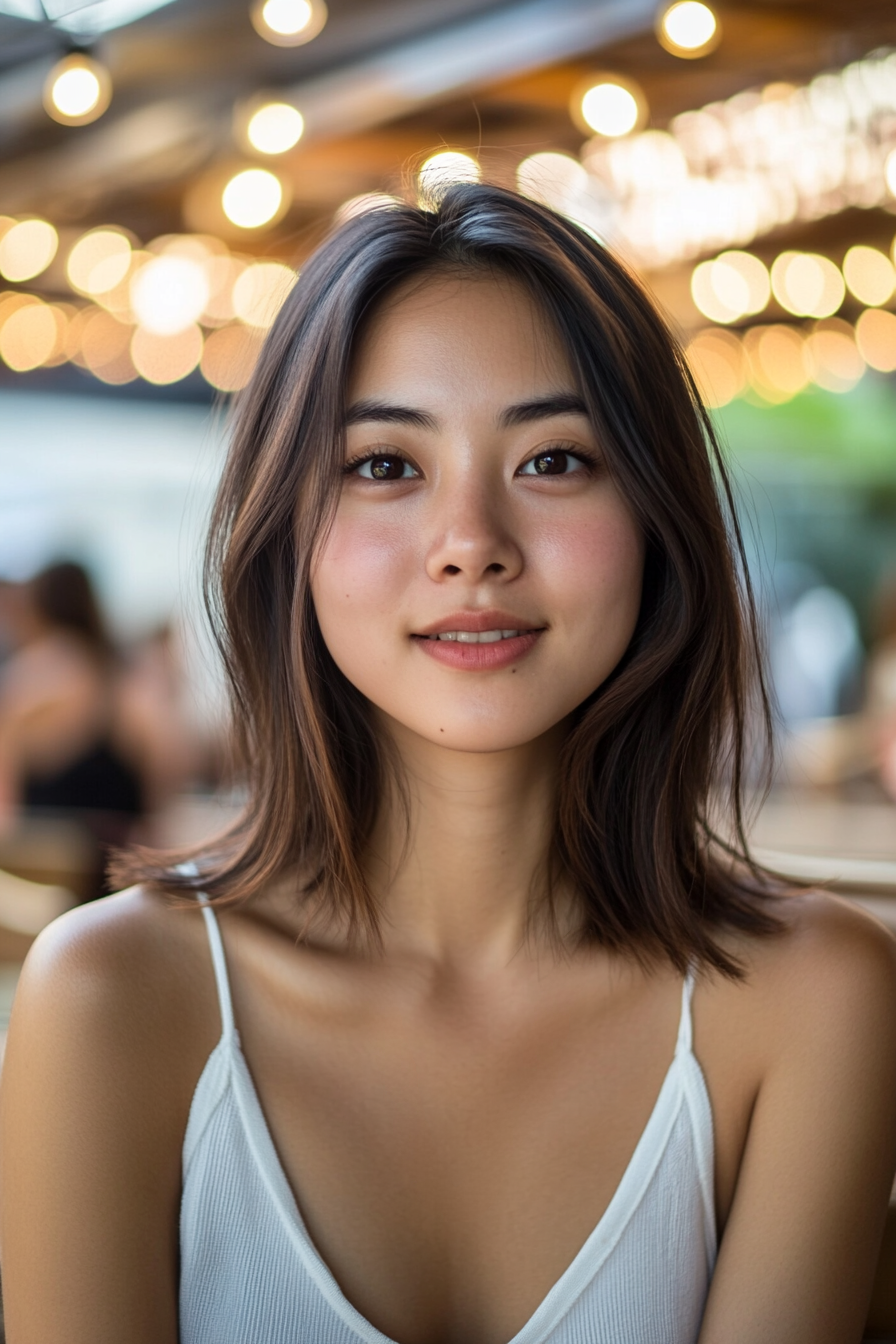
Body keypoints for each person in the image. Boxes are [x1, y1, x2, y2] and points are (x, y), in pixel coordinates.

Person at [2, 184, 896, 1344]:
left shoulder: (812, 1002)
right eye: (384, 465)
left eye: (554, 459)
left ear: (654, 517)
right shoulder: (112, 1001)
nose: (470, 542)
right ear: (286, 530)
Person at [0, 561, 145, 899]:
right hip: (117, 859)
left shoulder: (34, 670)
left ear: (40, 607)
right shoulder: (120, 675)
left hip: (52, 863)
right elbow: (164, 766)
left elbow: (6, 769)